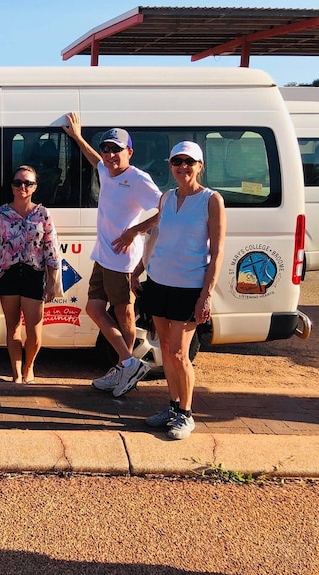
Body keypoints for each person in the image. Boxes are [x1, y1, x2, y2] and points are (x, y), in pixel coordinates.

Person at [63, 113, 161, 397]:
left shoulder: (138, 179)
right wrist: (78, 137)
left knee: (124, 314)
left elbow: (165, 209)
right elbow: (95, 161)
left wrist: (133, 232)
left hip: (123, 258)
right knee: (94, 309)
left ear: (129, 152)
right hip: (103, 255)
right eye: (107, 148)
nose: (110, 154)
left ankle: (125, 367)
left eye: (116, 149)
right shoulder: (106, 169)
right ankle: (128, 363)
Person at [137, 142, 226, 439]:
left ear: (200, 166)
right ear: (170, 164)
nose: (183, 167)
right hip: (159, 281)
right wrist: (139, 270)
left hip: (189, 287)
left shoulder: (212, 200)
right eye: (178, 161)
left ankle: (186, 415)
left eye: (190, 162)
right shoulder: (166, 197)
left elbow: (217, 252)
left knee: (179, 353)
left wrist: (206, 294)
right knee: (165, 349)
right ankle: (173, 407)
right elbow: (157, 239)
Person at [0, 166, 60, 384]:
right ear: (12, 186)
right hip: (7, 274)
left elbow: (51, 250)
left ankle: (29, 367)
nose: (22, 187)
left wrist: (52, 282)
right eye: (18, 183)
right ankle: (16, 374)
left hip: (33, 274)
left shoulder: (43, 214)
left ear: (35, 187)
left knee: (34, 331)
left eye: (27, 183)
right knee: (13, 327)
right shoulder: (1, 214)